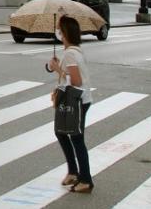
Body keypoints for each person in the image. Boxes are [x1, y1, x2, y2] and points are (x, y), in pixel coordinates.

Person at [48, 15, 94, 194]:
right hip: (79, 100)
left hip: (77, 101)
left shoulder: (70, 54)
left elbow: (75, 80)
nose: (57, 32)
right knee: (61, 132)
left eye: (59, 29)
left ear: (64, 32)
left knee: (76, 138)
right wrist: (56, 67)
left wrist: (58, 69)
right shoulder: (74, 51)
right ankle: (74, 172)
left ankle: (85, 180)